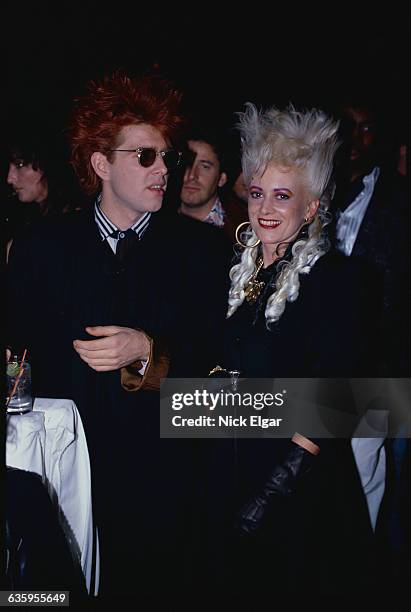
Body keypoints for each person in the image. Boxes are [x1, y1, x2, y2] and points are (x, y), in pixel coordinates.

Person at [6, 71, 230, 605]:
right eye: (144, 157)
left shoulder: (203, 251)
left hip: (166, 485)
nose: (163, 171)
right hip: (70, 484)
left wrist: (149, 352)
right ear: (101, 164)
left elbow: (222, 370)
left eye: (167, 158)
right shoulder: (43, 247)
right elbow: (18, 355)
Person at [200, 103, 385, 602]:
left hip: (301, 497)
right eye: (258, 193)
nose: (265, 209)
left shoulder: (341, 282)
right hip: (228, 478)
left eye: (283, 196)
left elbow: (333, 405)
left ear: (310, 206)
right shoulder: (230, 274)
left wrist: (269, 495)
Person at [5, 132, 84, 241]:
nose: (10, 178)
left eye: (19, 165)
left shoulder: (73, 218)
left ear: (43, 165)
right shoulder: (21, 217)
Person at [179, 123, 248, 241]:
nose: (192, 175)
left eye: (205, 167)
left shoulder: (244, 229)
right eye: (187, 164)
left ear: (221, 179)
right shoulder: (153, 218)